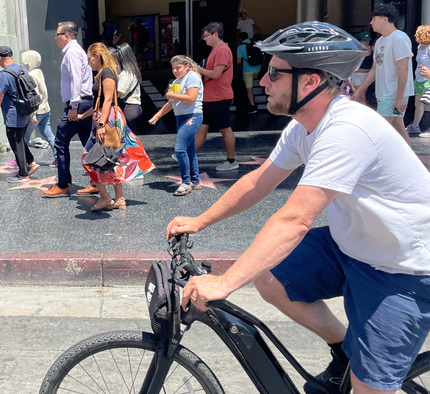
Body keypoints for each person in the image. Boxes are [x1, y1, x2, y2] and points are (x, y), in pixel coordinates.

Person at [167, 22, 430, 394]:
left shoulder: (347, 130)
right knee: (269, 273)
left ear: (309, 82)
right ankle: (346, 352)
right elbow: (259, 181)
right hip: (353, 245)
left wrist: (225, 283)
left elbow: (295, 219)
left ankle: (361, 373)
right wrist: (199, 220)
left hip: (402, 267)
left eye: (274, 73)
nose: (262, 82)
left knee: (368, 389)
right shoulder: (303, 125)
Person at [79, 43, 154, 211]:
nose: (88, 62)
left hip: (106, 120)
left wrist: (100, 124)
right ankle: (119, 198)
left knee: (91, 159)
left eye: (89, 58)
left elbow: (107, 100)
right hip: (106, 118)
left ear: (97, 56)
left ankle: (105, 196)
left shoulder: (106, 72)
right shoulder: (107, 71)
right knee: (110, 159)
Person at [42, 21, 94, 197]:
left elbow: (76, 80)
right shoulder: (78, 51)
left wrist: (73, 105)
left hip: (78, 104)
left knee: (60, 142)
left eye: (57, 35)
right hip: (85, 102)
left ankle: (63, 184)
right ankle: (96, 181)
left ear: (67, 35)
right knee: (89, 143)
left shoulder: (72, 52)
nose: (55, 38)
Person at [352, 4, 414, 146]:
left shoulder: (399, 38)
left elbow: (403, 69)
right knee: (399, 130)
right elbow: (375, 70)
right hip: (384, 93)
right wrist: (359, 91)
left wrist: (399, 98)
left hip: (392, 94)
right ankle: (410, 161)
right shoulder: (379, 41)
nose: (371, 23)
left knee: (378, 133)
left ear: (385, 19)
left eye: (374, 19)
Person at [148, 55, 203, 196]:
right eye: (173, 68)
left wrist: (171, 96)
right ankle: (195, 181)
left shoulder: (192, 77)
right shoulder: (178, 80)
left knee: (179, 149)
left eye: (178, 67)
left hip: (192, 116)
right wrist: (158, 115)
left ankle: (186, 182)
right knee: (189, 150)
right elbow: (171, 103)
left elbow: (191, 97)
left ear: (187, 66)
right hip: (181, 117)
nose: (175, 70)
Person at [0, 46, 39, 183]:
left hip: (13, 115)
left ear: (0, 58)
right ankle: (31, 162)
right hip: (25, 112)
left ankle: (23, 174)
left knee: (16, 144)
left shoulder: (4, 74)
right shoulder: (23, 69)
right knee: (20, 140)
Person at [194, 22, 238, 171]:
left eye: (206, 36)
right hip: (211, 97)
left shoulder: (222, 50)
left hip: (219, 97)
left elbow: (216, 74)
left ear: (216, 34)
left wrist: (199, 69)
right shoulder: (216, 50)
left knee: (225, 129)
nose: (204, 39)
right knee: (202, 128)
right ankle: (189, 155)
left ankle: (231, 161)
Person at [21, 49, 56, 167]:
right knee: (48, 134)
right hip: (46, 109)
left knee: (24, 136)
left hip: (37, 111)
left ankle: (24, 159)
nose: (25, 64)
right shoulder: (39, 72)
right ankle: (59, 157)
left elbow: (34, 96)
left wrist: (33, 115)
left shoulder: (31, 75)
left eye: (26, 62)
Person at [113, 43, 143, 134]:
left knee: (127, 138)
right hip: (134, 107)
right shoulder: (133, 70)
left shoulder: (126, 74)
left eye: (116, 58)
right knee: (132, 137)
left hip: (128, 108)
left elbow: (118, 93)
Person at [406, 25, 430, 136]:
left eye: (418, 33)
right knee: (418, 103)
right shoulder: (420, 47)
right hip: (419, 78)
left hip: (427, 78)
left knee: (424, 102)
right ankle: (415, 126)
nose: (415, 35)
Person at [236, 31, 261, 114]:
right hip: (258, 69)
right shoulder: (255, 44)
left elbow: (239, 61)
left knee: (249, 89)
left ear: (240, 39)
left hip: (248, 71)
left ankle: (253, 106)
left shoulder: (240, 48)